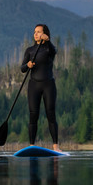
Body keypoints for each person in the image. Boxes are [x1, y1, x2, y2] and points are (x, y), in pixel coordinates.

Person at [20, 24, 61, 152]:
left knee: (51, 114)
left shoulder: (49, 49)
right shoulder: (30, 50)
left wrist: (47, 40)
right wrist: (28, 65)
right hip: (34, 85)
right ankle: (31, 146)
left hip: (48, 85)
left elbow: (54, 51)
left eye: (39, 32)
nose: (36, 34)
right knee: (33, 115)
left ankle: (56, 146)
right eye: (34, 32)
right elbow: (22, 69)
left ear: (45, 34)